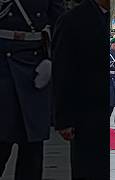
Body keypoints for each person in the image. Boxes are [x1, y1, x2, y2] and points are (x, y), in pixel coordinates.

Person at [0, 0, 64, 179]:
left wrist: (52, 60)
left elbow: (60, 25)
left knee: (32, 151)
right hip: (3, 67)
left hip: (34, 66)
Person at [52, 0, 108, 179]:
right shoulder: (73, 20)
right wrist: (63, 118)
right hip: (86, 113)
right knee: (88, 168)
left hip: (109, 110)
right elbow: (62, 71)